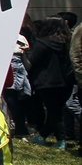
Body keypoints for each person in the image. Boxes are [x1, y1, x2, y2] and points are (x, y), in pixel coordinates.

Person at [26, 16, 74, 149]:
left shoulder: (43, 43)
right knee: (56, 109)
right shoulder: (67, 43)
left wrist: (26, 50)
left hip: (47, 82)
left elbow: (31, 61)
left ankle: (61, 140)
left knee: (53, 112)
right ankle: (42, 135)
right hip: (66, 82)